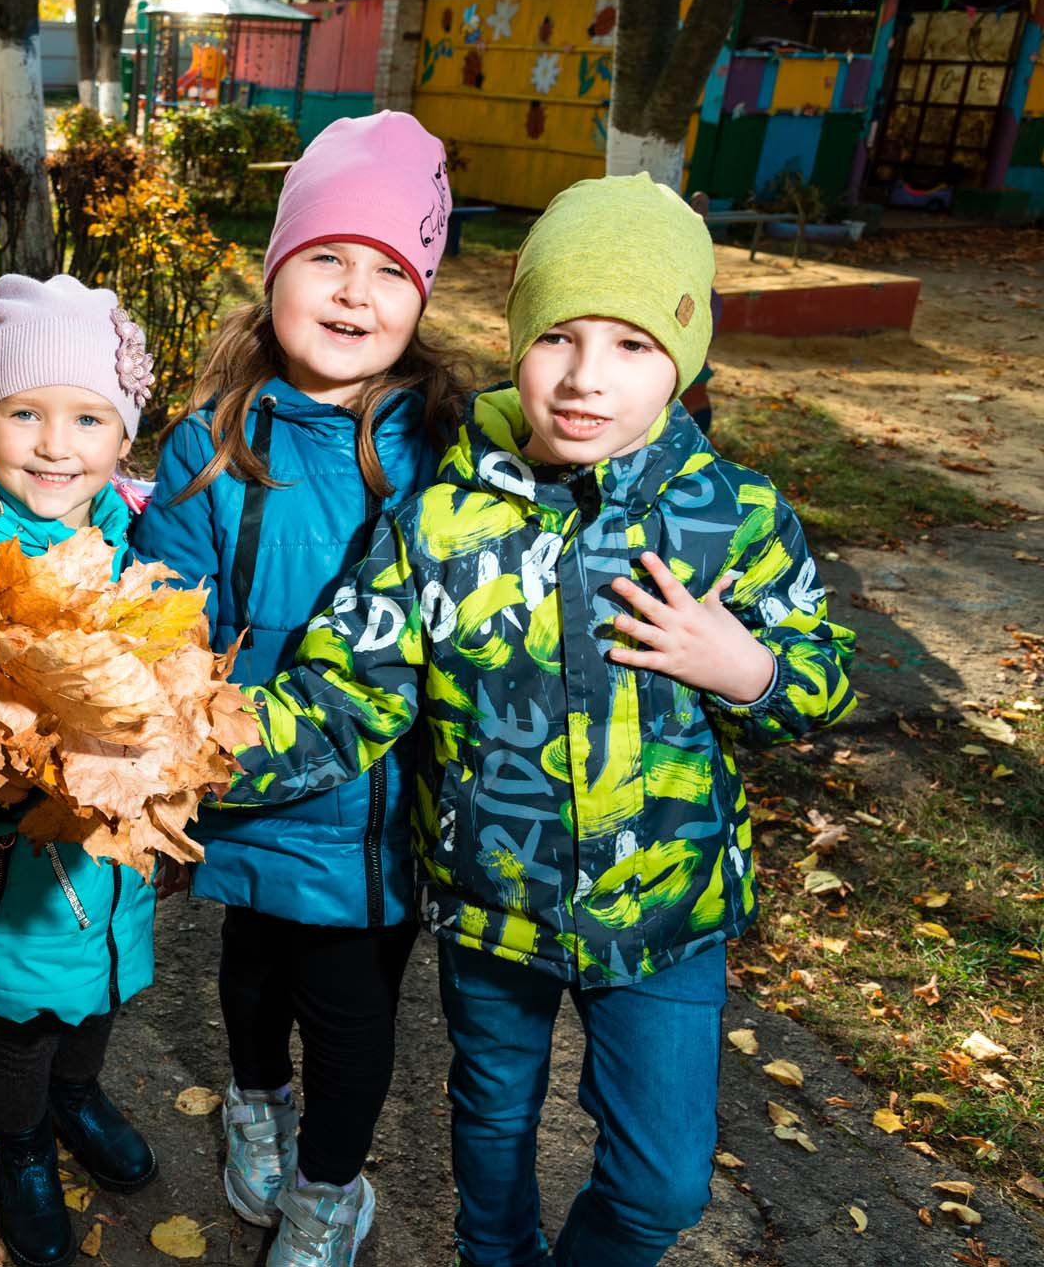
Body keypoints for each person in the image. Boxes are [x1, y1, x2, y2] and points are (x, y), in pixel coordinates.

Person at [226, 174, 858, 1266]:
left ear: (685, 357)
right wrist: (171, 752)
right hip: (492, 912)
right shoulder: (436, 524)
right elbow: (340, 700)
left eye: (630, 346)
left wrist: (746, 668)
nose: (583, 378)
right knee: (490, 1139)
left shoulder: (735, 516)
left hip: (665, 920)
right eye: (556, 336)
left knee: (660, 1184)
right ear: (516, 339)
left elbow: (822, 682)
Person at [131, 111, 467, 1267]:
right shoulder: (211, 444)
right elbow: (164, 610)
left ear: (420, 299)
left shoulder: (448, 448)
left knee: (351, 1006)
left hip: (374, 805)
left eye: (387, 270)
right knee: (253, 971)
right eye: (324, 256)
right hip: (243, 773)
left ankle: (328, 1190)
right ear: (273, 271)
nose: (350, 291)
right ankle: (252, 1102)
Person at [0, 275, 161, 1267]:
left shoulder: (137, 531)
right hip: (11, 858)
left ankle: (77, 1094)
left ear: (121, 436)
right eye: (24, 413)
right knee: (22, 1014)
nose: (55, 445)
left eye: (86, 418)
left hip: (111, 850)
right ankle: (20, 1144)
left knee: (99, 990)